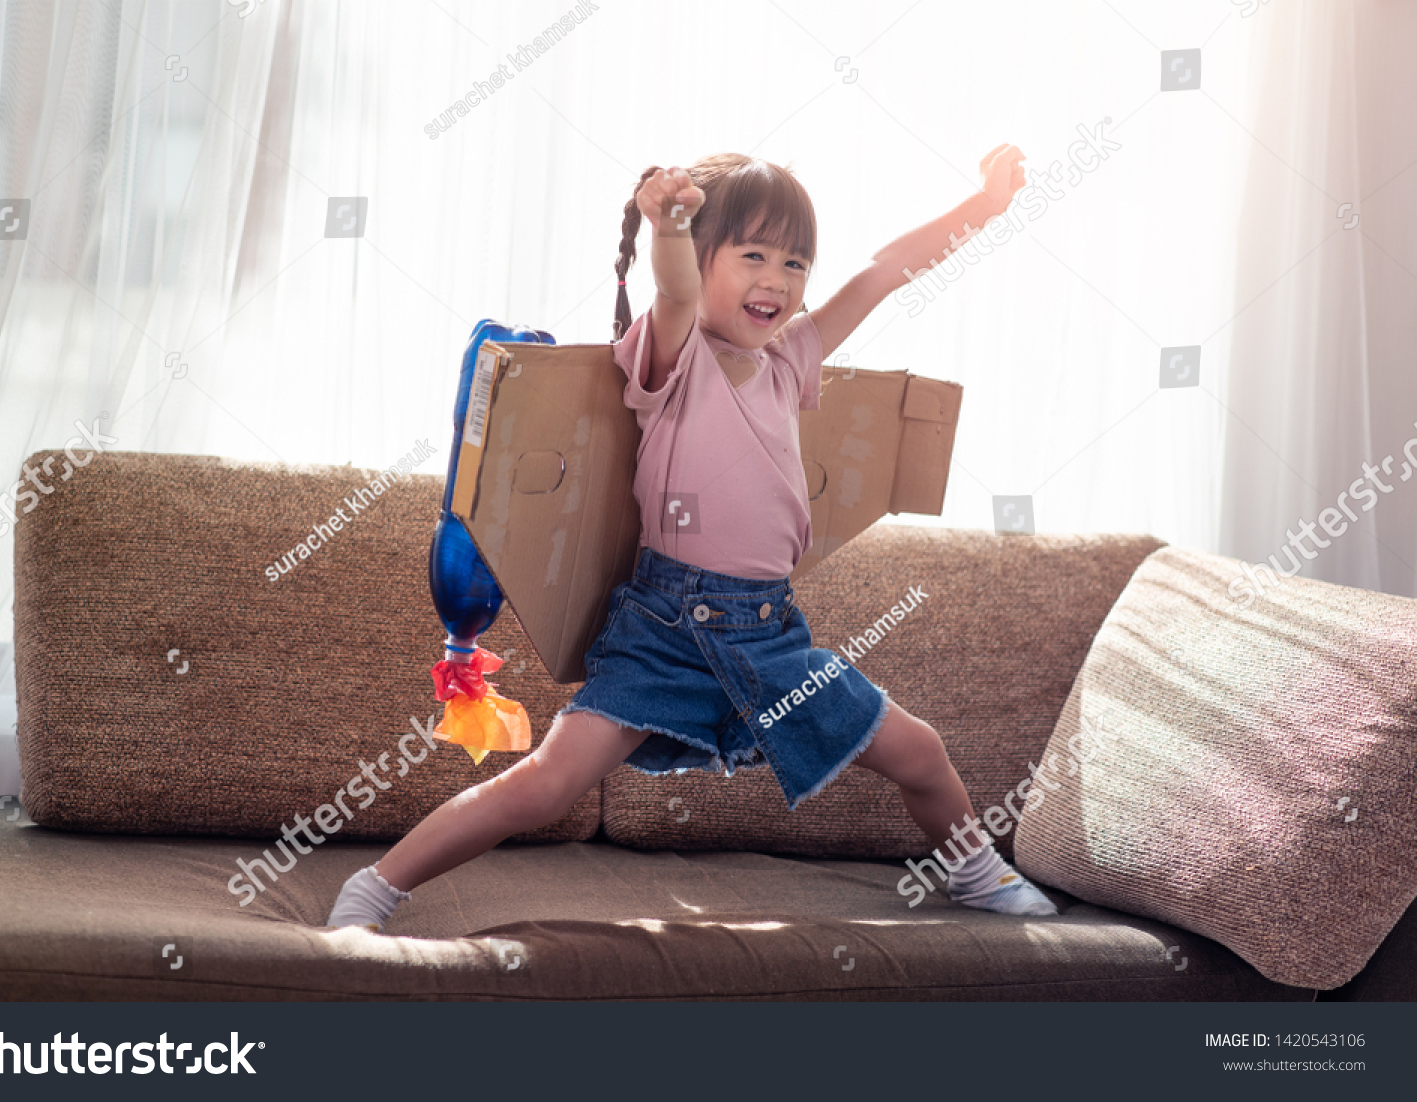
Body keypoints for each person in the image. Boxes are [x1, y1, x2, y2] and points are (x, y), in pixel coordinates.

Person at [328, 149, 1057, 932]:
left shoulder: (791, 361)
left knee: (919, 750)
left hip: (768, 635)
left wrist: (982, 207)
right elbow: (674, 288)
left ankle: (976, 872)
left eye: (794, 261)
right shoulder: (675, 358)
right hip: (665, 632)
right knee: (545, 783)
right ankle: (375, 887)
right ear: (702, 257)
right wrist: (668, 225)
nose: (775, 279)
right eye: (751, 255)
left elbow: (883, 273)